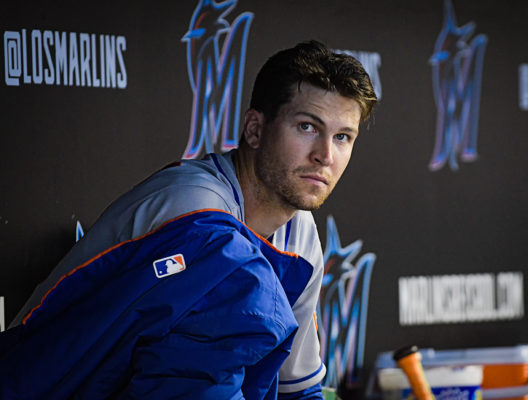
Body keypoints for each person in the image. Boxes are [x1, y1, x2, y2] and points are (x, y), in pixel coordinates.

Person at [0, 40, 377, 399]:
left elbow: (299, 390)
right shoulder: (196, 212)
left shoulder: (300, 234)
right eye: (307, 127)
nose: (325, 155)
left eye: (343, 137)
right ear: (255, 129)